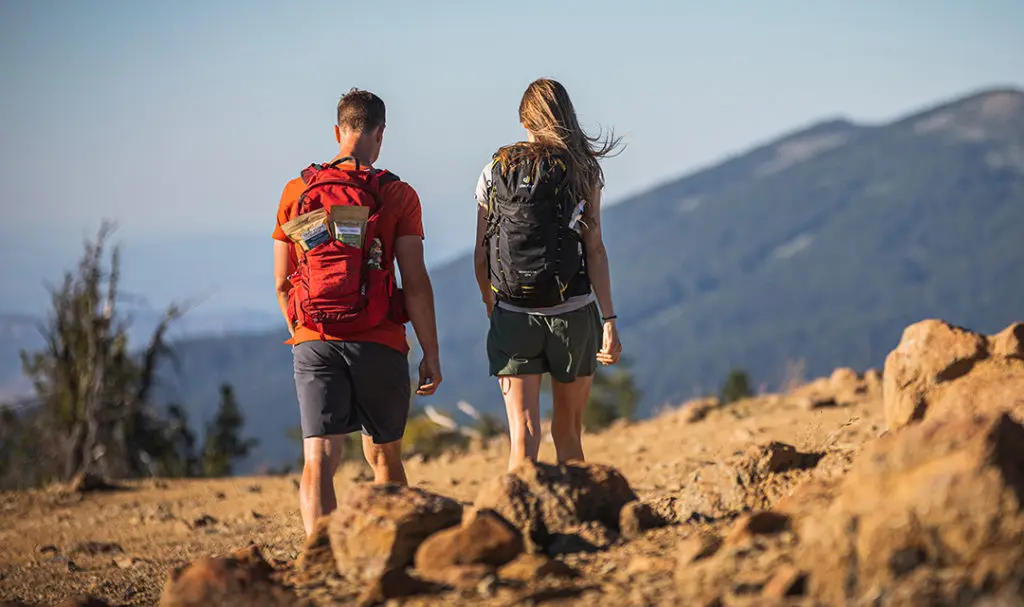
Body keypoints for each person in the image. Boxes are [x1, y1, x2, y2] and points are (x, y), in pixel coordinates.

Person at [273, 89, 442, 536]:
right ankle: (391, 549)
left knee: (319, 459)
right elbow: (417, 282)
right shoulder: (398, 195)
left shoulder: (297, 191)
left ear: (338, 131)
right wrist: (430, 352)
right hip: (380, 339)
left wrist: (306, 332)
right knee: (384, 456)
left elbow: (281, 281)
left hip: (313, 338)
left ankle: (318, 556)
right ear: (380, 134)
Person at [474, 78, 623, 472]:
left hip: (513, 314)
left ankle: (522, 522)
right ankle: (576, 525)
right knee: (569, 433)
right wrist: (608, 320)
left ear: (527, 120)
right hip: (573, 312)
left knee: (522, 435)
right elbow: (595, 250)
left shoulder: (495, 171)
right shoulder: (582, 170)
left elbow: (481, 252)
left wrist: (494, 305)